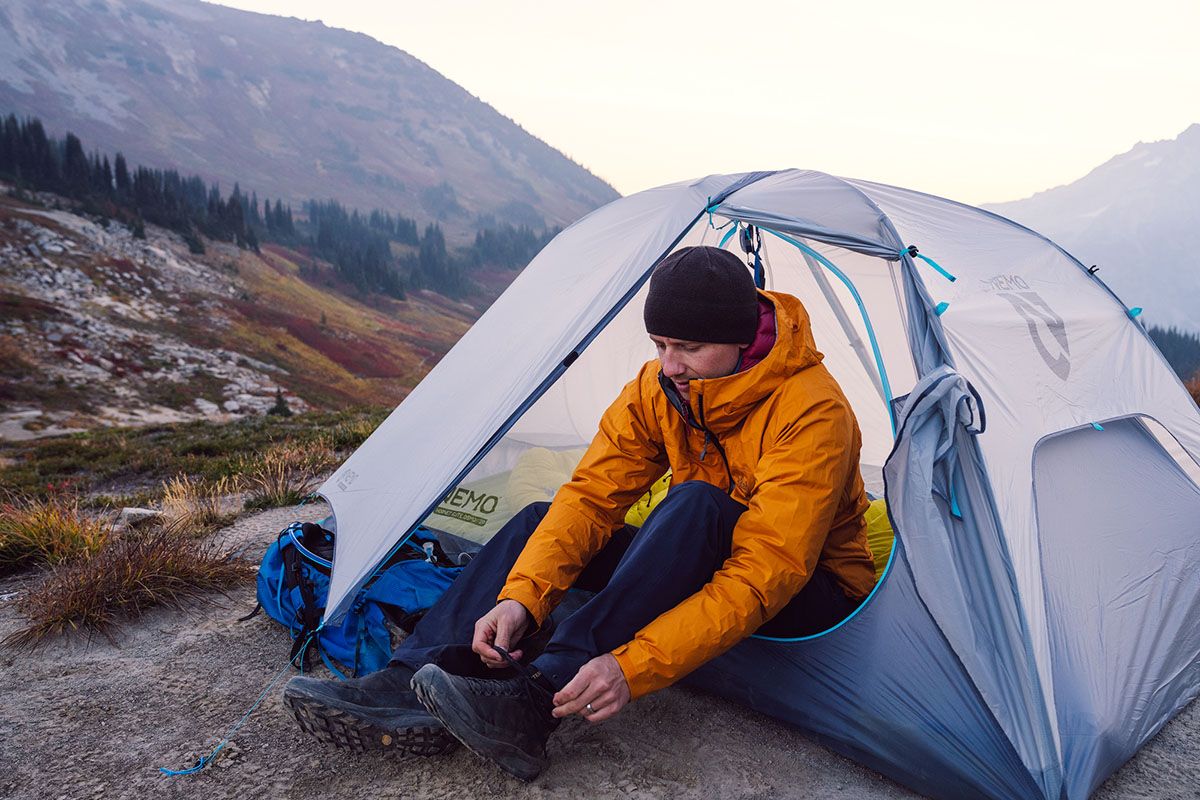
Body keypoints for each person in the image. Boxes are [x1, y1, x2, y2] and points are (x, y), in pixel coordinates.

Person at [283, 245, 876, 780]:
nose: (669, 364)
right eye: (661, 345)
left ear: (743, 340)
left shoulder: (813, 411)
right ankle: (417, 681)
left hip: (809, 596)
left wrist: (630, 666)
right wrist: (521, 598)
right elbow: (592, 497)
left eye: (689, 348)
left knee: (692, 504)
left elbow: (767, 571)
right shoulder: (662, 389)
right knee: (545, 515)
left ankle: (536, 701)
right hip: (706, 560)